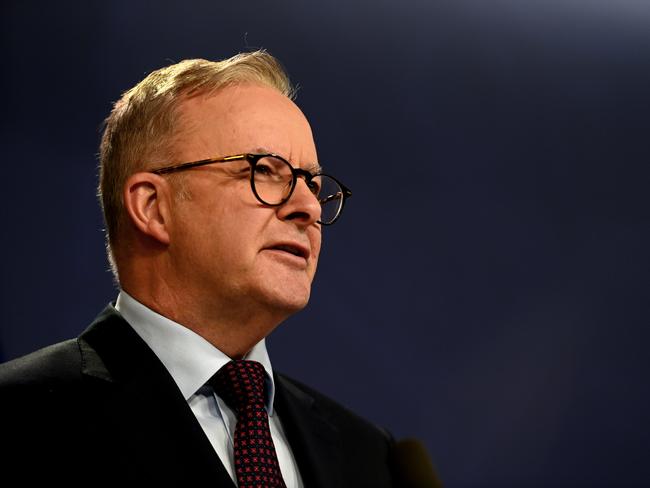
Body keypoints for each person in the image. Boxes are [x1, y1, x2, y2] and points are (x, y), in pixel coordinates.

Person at [0, 51, 403, 487]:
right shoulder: (23, 418)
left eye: (313, 185)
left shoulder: (368, 456)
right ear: (153, 207)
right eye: (266, 171)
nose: (307, 207)